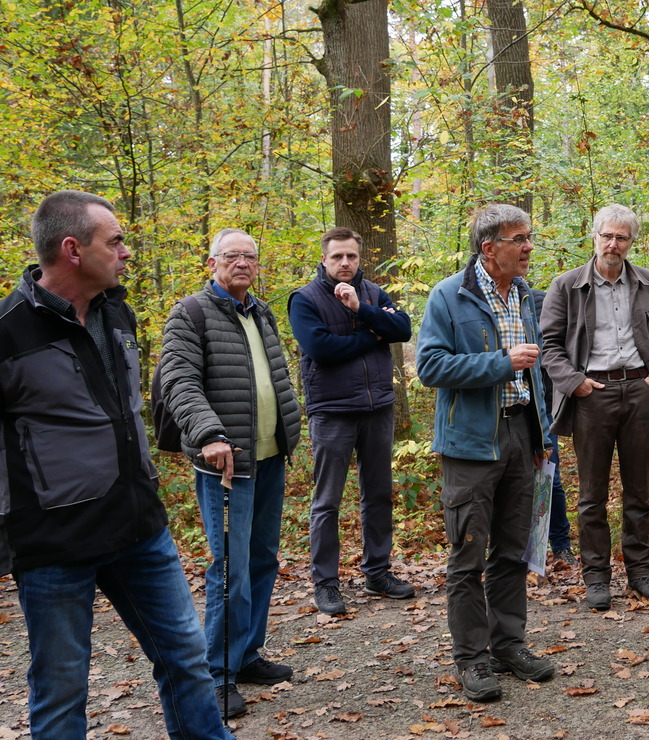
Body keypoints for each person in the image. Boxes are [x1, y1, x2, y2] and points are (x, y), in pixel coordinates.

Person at [0, 190, 235, 740]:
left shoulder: (118, 312)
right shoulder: (8, 331)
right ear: (72, 250)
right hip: (56, 543)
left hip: (140, 529)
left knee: (187, 660)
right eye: (115, 241)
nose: (126, 251)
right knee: (61, 694)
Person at [415, 204, 557, 703]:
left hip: (522, 436)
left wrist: (544, 439)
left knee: (513, 550)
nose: (528, 248)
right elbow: (430, 367)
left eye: (529, 237)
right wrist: (500, 363)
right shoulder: (449, 296)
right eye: (520, 239)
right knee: (467, 555)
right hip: (471, 444)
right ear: (489, 247)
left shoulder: (525, 296)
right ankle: (472, 659)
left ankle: (509, 645)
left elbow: (538, 375)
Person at [158, 229, 302, 717]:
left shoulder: (259, 312)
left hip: (268, 456)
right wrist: (209, 434)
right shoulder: (190, 313)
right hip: (225, 463)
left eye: (250, 256)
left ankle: (245, 656)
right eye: (232, 255)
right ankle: (215, 677)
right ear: (212, 262)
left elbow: (274, 378)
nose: (242, 263)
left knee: (261, 559)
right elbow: (179, 381)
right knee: (228, 568)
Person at [541, 204, 649, 611]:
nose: (613, 244)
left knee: (639, 491)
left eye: (622, 237)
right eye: (607, 236)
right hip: (591, 395)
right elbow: (549, 346)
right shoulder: (566, 286)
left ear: (631, 242)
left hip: (639, 391)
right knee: (591, 495)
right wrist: (576, 383)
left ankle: (640, 574)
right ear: (594, 236)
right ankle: (596, 578)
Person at [289, 227, 415, 616]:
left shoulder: (374, 294)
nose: (345, 263)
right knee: (327, 501)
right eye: (337, 257)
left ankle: (377, 572)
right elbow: (321, 349)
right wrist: (374, 336)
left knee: (378, 494)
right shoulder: (305, 299)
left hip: (377, 407)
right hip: (332, 412)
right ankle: (325, 583)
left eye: (352, 257)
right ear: (323, 260)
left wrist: (363, 311)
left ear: (360, 259)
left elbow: (403, 329)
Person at [530, 287, 576, 566]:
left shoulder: (543, 300)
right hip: (502, 406)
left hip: (542, 406)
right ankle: (520, 551)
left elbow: (560, 349)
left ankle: (560, 546)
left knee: (548, 476)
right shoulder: (486, 307)